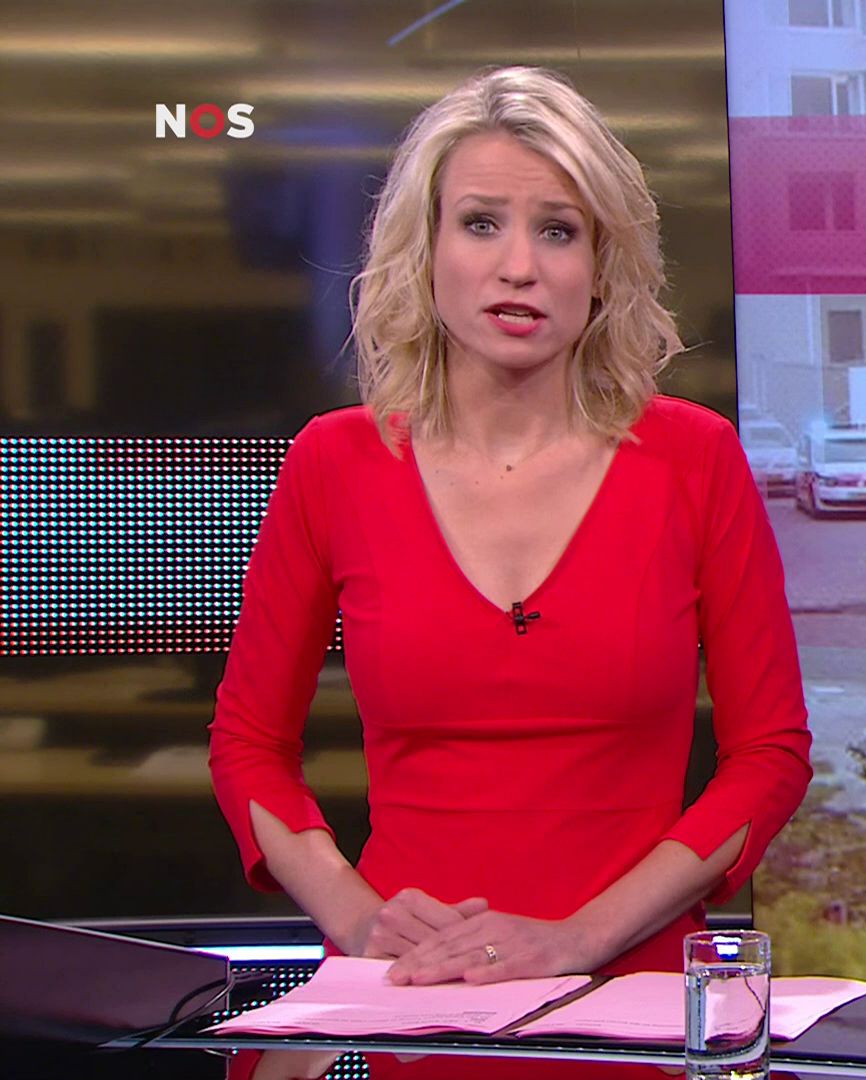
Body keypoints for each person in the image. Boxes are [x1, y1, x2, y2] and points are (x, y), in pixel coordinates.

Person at [207, 66, 812, 987]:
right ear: (426, 248)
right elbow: (250, 745)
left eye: (558, 230)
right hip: (405, 987)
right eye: (481, 223)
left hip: (628, 988)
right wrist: (357, 916)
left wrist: (578, 938)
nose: (519, 266)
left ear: (601, 266)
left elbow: (768, 757)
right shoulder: (334, 463)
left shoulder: (695, 459)